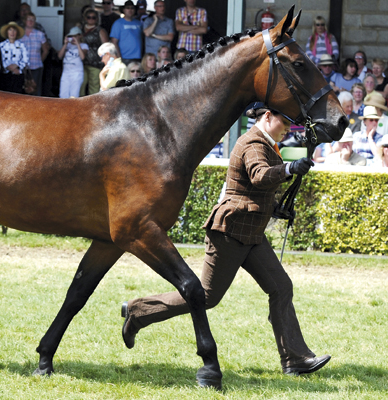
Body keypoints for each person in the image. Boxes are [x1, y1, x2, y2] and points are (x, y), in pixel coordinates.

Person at [121, 103, 331, 377]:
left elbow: (253, 191)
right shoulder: (253, 143)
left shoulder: (267, 143)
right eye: (285, 122)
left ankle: (295, 359)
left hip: (251, 234)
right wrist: (289, 168)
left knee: (281, 287)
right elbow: (258, 176)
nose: (290, 128)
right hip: (230, 233)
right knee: (206, 297)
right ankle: (138, 311)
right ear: (268, 117)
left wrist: (277, 207)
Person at [80, 8, 109, 96]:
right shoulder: (79, 29)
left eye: (93, 17)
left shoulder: (100, 30)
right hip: (80, 63)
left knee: (94, 87)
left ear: (97, 19)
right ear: (85, 18)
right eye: (89, 17)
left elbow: (106, 47)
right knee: (80, 86)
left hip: (95, 63)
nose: (91, 19)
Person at [19, 12, 49, 96]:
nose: (31, 21)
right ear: (25, 21)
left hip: (36, 66)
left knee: (35, 88)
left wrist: (40, 60)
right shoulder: (20, 34)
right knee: (23, 88)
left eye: (33, 20)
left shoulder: (40, 34)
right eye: (29, 19)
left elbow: (45, 50)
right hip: (23, 66)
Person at [0, 22, 29, 94]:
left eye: (14, 30)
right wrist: (8, 67)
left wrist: (17, 66)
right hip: (4, 75)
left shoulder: (22, 45)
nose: (12, 32)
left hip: (18, 75)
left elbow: (26, 60)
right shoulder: (1, 45)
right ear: (7, 32)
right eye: (10, 30)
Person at [58, 27, 88, 98]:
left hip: (77, 73)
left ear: (80, 36)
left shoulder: (84, 45)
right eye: (71, 36)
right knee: (62, 95)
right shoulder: (67, 45)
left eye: (75, 36)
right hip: (66, 72)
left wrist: (78, 44)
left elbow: (83, 57)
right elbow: (59, 56)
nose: (73, 38)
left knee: (73, 95)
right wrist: (65, 44)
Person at [110, 1, 143, 65]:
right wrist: (119, 58)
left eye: (132, 8)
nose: (130, 10)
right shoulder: (118, 23)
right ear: (123, 10)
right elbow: (114, 41)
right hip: (124, 57)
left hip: (138, 57)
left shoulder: (139, 23)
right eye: (128, 8)